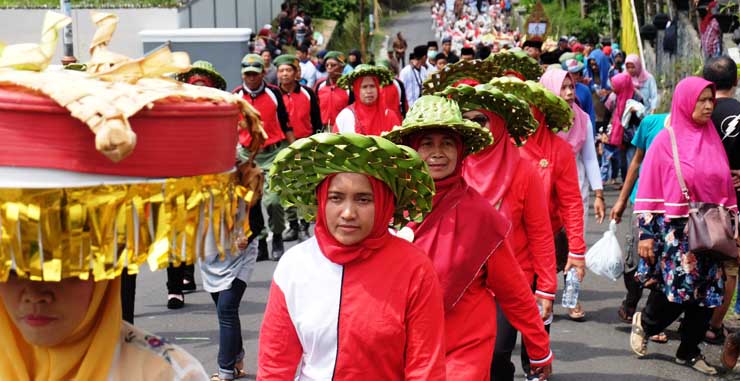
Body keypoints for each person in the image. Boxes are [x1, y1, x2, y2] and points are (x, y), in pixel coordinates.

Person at [0, 46, 270, 379]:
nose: (35, 292)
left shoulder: (167, 373)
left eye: (64, 267)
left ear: (106, 265)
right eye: (12, 264)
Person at [384, 95, 554, 381]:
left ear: (461, 151)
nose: (437, 153)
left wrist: (538, 345)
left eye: (447, 143)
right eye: (427, 143)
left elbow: (513, 290)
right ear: (412, 150)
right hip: (404, 347)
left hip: (465, 350)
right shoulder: (389, 209)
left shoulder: (480, 215)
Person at [258, 133, 446, 380]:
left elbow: (425, 369)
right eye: (336, 198)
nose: (348, 213)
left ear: (384, 204)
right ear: (321, 200)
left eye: (363, 199)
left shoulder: (414, 267)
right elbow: (275, 365)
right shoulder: (294, 266)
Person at [438, 84, 558, 381]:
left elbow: (541, 233)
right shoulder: (449, 167)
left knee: (496, 355)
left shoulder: (524, 171)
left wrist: (545, 288)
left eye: (480, 120)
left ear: (498, 122)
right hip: (453, 286)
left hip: (510, 281)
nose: (473, 127)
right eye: (466, 120)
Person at [630, 76, 737, 376]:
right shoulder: (667, 140)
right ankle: (647, 323)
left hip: (711, 231)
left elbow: (724, 185)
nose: (707, 106)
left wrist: (733, 222)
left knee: (708, 295)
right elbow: (649, 186)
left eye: (710, 100)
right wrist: (646, 235)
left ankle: (689, 351)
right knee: (677, 292)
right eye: (701, 100)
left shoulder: (713, 138)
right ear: (685, 102)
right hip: (677, 231)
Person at [489, 77, 588, 322]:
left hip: (543, 246)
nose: (520, 113)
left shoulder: (559, 151)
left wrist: (576, 250)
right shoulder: (496, 147)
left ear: (540, 108)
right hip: (503, 246)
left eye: (527, 105)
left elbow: (571, 202)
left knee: (538, 327)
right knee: (499, 338)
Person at [609, 112, 670, 345]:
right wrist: (622, 200)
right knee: (634, 261)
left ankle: (650, 320)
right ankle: (631, 301)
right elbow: (636, 160)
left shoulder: (698, 132)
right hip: (643, 201)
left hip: (673, 208)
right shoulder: (651, 123)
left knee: (662, 263)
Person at [233, 53, 295, 260]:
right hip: (247, 156)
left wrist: (295, 150)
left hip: (273, 153)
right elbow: (229, 128)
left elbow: (286, 124)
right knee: (251, 202)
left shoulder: (274, 93)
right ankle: (260, 240)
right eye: (247, 74)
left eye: (255, 74)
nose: (251, 78)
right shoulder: (235, 97)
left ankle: (277, 235)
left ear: (263, 74)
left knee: (274, 201)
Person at [703, 55, 740, 345]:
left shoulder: (698, 114)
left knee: (698, 257)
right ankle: (714, 325)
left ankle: (694, 317)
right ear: (736, 81)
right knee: (730, 265)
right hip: (735, 206)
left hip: (699, 204)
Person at [541, 69, 606, 230]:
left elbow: (590, 159)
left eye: (571, 87)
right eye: (563, 88)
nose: (569, 93)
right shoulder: (538, 124)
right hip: (543, 190)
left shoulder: (583, 120)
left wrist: (599, 195)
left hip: (576, 188)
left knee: (574, 244)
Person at [274, 54, 322, 243]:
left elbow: (316, 120)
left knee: (304, 184)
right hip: (283, 145)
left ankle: (304, 224)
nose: (284, 74)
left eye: (288, 70)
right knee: (286, 185)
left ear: (296, 73)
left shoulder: (308, 93)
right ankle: (291, 224)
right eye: (281, 71)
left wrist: (317, 143)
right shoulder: (274, 94)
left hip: (305, 143)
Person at [334, 64, 400, 135]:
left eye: (372, 86)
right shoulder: (345, 116)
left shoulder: (389, 116)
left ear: (377, 88)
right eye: (364, 87)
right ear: (356, 90)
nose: (369, 91)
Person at [314, 51, 351, 131]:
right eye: (327, 65)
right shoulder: (320, 85)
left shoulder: (349, 87)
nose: (329, 68)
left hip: (343, 130)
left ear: (342, 68)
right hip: (324, 130)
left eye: (333, 65)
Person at [563, 58, 596, 128]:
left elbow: (590, 113)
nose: (577, 76)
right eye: (573, 73)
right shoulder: (558, 90)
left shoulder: (584, 90)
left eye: (578, 72)